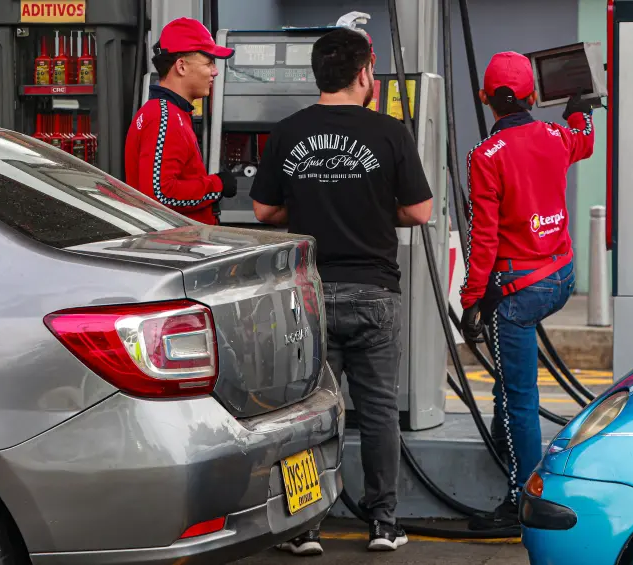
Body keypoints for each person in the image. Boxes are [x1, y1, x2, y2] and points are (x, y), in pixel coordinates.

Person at [249, 27, 433, 554]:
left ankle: (306, 526)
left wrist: (310, 204)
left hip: (311, 295)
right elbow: (419, 211)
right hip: (375, 292)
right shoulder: (390, 132)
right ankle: (383, 523)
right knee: (377, 412)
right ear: (364, 74)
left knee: (311, 412)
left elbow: (264, 211)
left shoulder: (289, 131)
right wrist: (374, 206)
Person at [458, 51, 595, 528]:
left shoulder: (485, 157)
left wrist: (471, 297)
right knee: (510, 382)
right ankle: (506, 440)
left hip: (517, 294)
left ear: (485, 99)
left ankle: (520, 502)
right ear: (534, 97)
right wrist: (580, 106)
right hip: (561, 279)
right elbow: (584, 138)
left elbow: (484, 239)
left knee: (520, 395)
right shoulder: (557, 136)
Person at [125, 17, 237, 225]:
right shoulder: (164, 117)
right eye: (209, 62)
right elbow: (161, 194)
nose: (215, 71)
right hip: (174, 249)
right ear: (181, 66)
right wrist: (217, 185)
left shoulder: (167, 113)